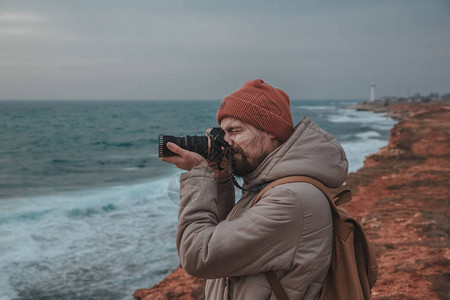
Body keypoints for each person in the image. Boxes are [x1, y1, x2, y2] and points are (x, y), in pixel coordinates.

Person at [161, 79, 348, 299]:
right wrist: (221, 180)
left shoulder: (291, 198)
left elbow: (198, 256)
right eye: (223, 133)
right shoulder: (269, 185)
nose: (226, 142)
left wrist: (199, 175)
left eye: (235, 131)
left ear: (271, 132)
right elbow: (226, 240)